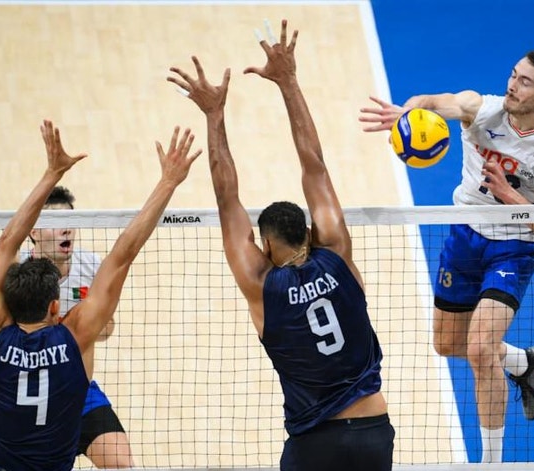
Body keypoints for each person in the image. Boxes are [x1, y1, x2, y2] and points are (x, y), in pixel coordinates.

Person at [167, 19, 395, 471]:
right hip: (374, 431)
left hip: (314, 442)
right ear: (309, 231)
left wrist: (214, 115)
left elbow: (226, 197)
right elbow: (315, 165)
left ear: (265, 244)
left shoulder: (260, 284)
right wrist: (288, 82)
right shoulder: (336, 253)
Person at [359, 51, 534, 462]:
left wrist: (512, 198)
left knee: (479, 349)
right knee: (447, 344)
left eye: (526, 82)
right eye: (514, 75)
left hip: (515, 248)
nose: (513, 84)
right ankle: (525, 363)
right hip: (465, 235)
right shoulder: (482, 110)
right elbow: (429, 100)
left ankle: (490, 463)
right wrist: (406, 115)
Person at [0, 120, 200, 470]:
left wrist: (51, 174)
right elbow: (124, 254)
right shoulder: (75, 336)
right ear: (56, 306)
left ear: (7, 303)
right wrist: (168, 182)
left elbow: (7, 243)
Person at [0, 186, 135, 467]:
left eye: (70, 223)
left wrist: (69, 331)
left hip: (71, 386)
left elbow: (107, 328)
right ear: (34, 233)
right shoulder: (11, 281)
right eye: (56, 225)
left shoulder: (90, 266)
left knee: (120, 462)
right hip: (22, 391)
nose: (67, 231)